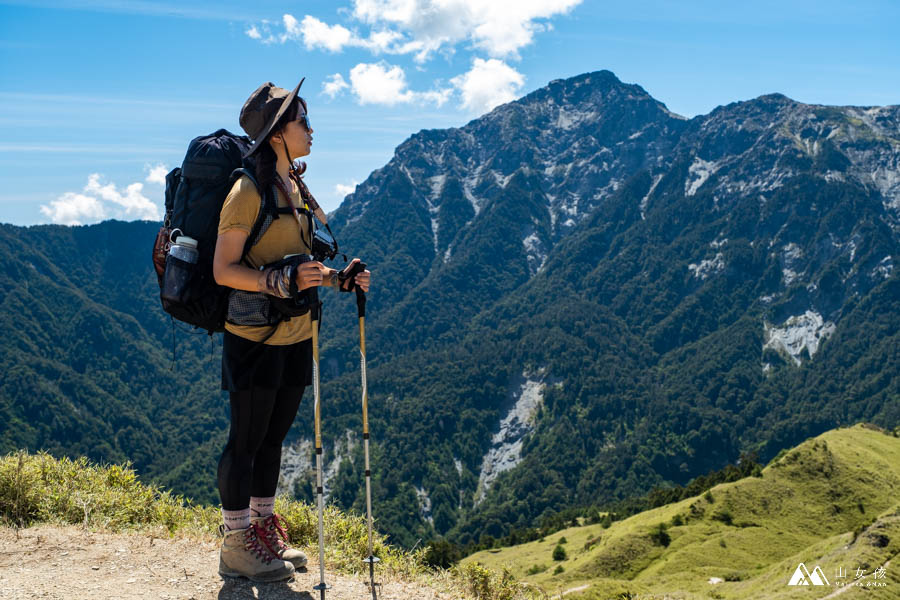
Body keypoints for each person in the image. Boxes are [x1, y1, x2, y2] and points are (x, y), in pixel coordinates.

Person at [212, 79, 370, 582]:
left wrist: (337, 279)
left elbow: (302, 262)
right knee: (246, 439)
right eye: (303, 120)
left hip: (296, 332)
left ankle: (261, 531)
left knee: (274, 437)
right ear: (278, 133)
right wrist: (276, 280)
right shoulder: (246, 191)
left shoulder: (296, 189)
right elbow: (223, 269)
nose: (311, 129)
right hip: (254, 336)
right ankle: (236, 544)